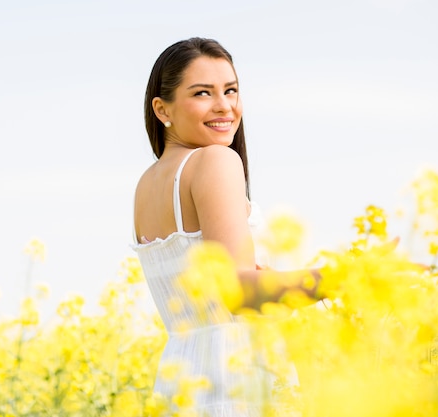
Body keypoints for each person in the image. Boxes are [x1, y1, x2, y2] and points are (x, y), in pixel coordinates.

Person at [132, 37, 319, 417]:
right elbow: (236, 292)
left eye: (231, 90)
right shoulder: (215, 161)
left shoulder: (146, 185)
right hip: (238, 378)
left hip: (178, 382)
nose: (225, 106)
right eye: (203, 93)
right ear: (161, 108)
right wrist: (345, 277)